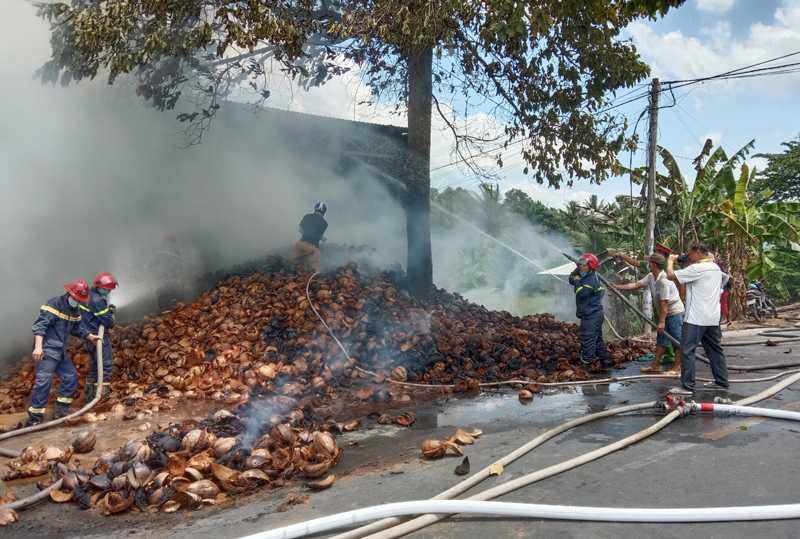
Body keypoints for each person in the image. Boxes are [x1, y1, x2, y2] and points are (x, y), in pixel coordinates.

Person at [27, 281, 101, 426]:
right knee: (44, 382)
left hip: (59, 351)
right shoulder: (53, 305)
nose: (78, 302)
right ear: (69, 294)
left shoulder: (74, 310)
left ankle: (60, 412)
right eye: (77, 299)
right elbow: (40, 326)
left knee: (71, 377)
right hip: (46, 350)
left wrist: (90, 336)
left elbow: (77, 328)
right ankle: (35, 420)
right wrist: (38, 347)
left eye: (80, 301)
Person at [666, 242, 729, 395]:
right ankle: (721, 382)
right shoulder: (715, 267)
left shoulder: (697, 268)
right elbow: (725, 281)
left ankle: (687, 386)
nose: (689, 257)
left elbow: (670, 275)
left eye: (691, 254)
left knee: (687, 350)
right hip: (712, 317)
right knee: (714, 349)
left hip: (696, 317)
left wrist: (670, 261)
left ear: (699, 252)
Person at [611, 253, 683, 375]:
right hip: (664, 313)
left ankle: (678, 367)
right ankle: (655, 365)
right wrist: (617, 287)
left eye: (649, 262)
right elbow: (636, 284)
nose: (647, 264)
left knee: (677, 341)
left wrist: (662, 321)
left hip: (674, 313)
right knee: (662, 340)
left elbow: (664, 303)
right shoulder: (651, 276)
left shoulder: (664, 281)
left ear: (653, 265)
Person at [570, 253, 612, 372]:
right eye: (580, 264)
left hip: (591, 316)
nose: (581, 266)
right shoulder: (585, 276)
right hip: (594, 314)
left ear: (591, 266)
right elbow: (570, 280)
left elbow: (582, 293)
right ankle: (606, 363)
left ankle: (585, 367)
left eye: (583, 264)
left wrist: (578, 281)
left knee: (587, 340)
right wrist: (576, 271)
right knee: (597, 340)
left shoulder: (591, 280)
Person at [80, 272, 118, 403]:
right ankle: (102, 399)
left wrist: (107, 310)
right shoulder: (97, 299)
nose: (107, 292)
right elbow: (107, 322)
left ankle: (89, 397)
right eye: (107, 289)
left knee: (95, 366)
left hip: (88, 336)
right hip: (98, 337)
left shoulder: (87, 295)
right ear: (99, 286)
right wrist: (110, 315)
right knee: (106, 366)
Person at [149, 233, 184, 314]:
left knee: (163, 291)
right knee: (170, 291)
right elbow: (179, 265)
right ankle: (171, 311)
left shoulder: (157, 250)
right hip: (169, 275)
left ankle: (166, 312)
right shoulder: (175, 251)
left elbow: (151, 263)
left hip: (161, 274)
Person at [291, 202, 328, 274]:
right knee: (317, 270)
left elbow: (300, 230)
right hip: (313, 249)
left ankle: (297, 269)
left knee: (293, 259)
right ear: (323, 213)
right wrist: (323, 239)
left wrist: (307, 234)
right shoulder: (325, 223)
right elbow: (318, 235)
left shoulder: (307, 216)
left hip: (300, 245)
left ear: (315, 210)